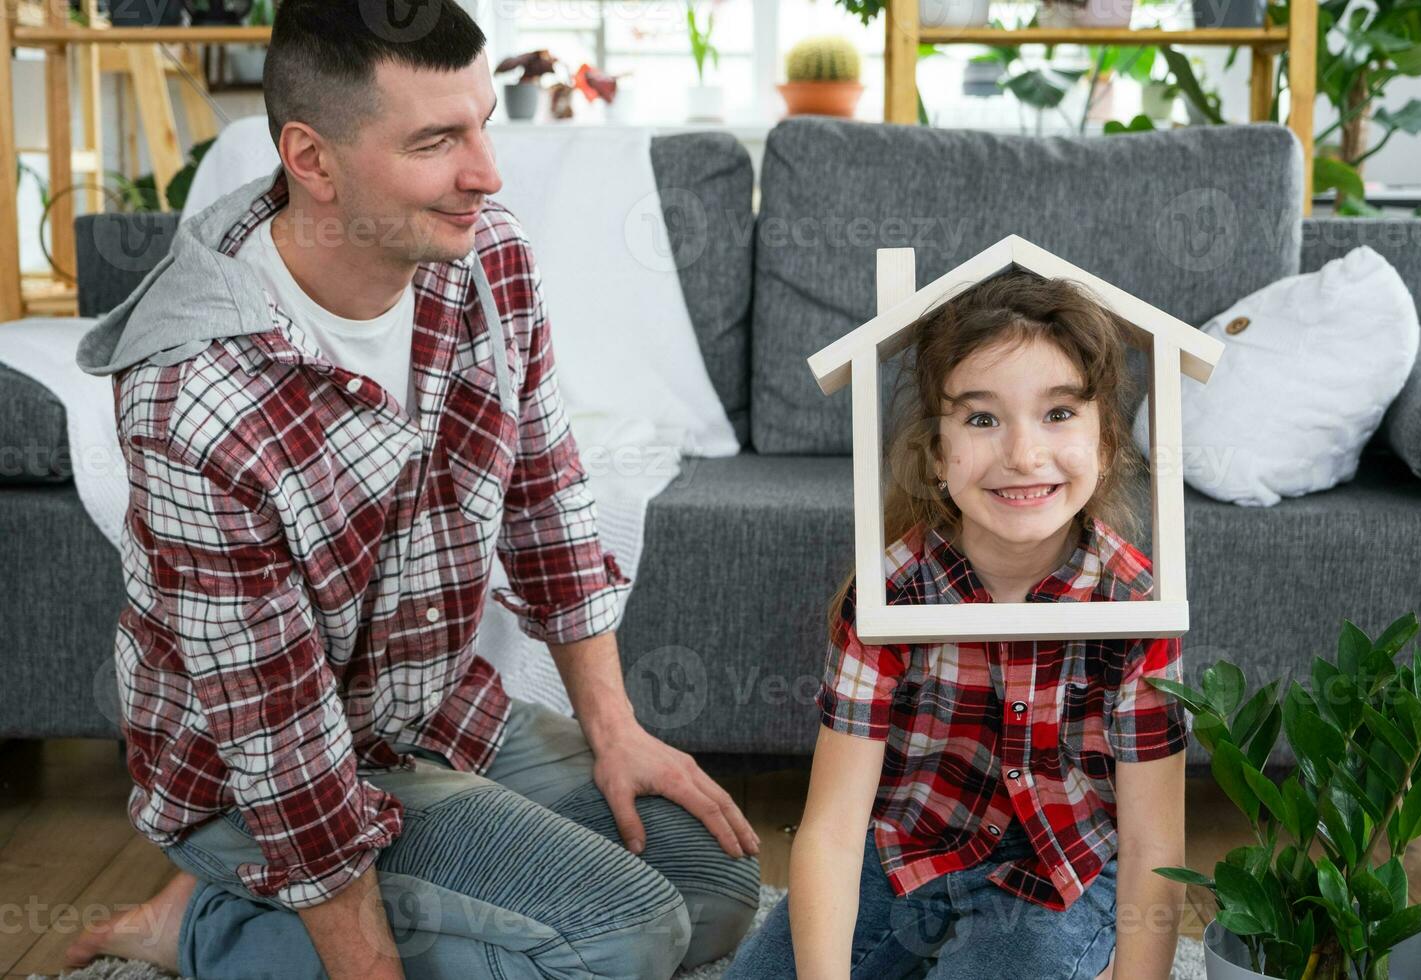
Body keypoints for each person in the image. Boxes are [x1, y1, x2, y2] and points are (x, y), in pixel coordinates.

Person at [66, 1, 759, 976]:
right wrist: (365, 965)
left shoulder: (486, 256)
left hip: (429, 712)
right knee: (623, 934)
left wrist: (618, 731)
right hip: (252, 775)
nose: (487, 172)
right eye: (438, 140)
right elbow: (282, 742)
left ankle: (239, 900)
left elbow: (546, 498)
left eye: (481, 122)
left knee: (718, 890)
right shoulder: (195, 394)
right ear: (312, 160)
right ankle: (206, 924)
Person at [725, 268, 1190, 979]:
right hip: (909, 850)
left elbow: (1156, 840)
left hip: (1061, 868)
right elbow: (831, 830)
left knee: (1012, 959)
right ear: (940, 457)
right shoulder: (892, 592)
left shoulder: (1132, 601)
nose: (1023, 455)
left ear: (1104, 445)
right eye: (981, 418)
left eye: (1058, 414)